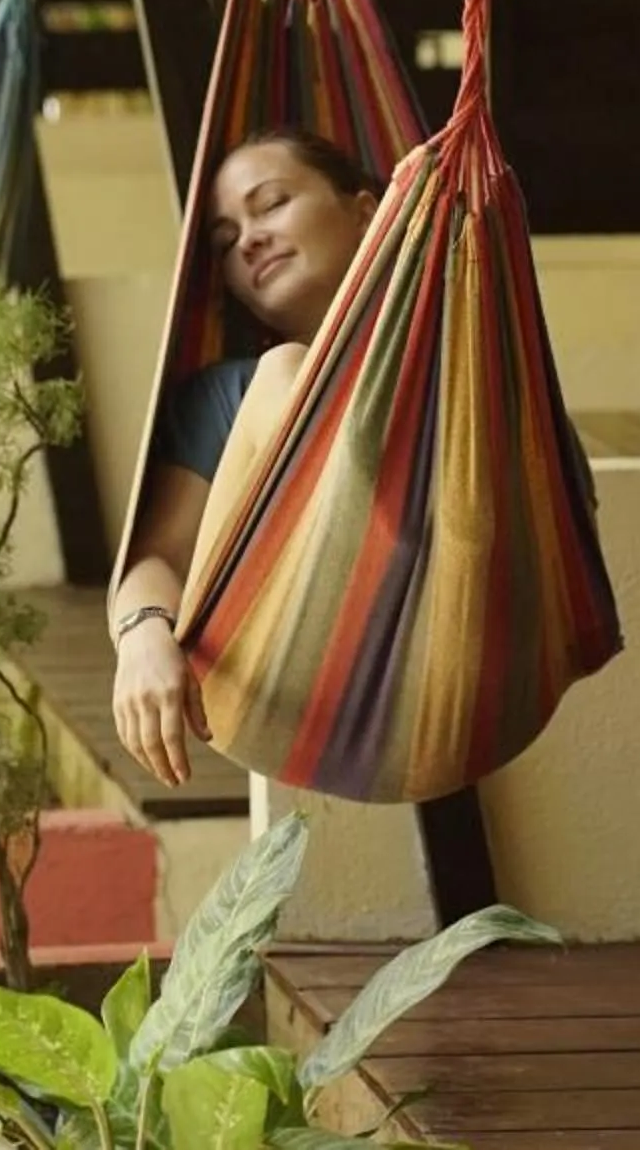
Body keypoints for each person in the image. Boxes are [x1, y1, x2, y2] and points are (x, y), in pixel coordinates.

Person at [109, 127, 379, 789]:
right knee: (285, 370)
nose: (250, 239)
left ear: (367, 212)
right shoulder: (224, 398)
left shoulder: (461, 369)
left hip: (443, 630)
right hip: (280, 671)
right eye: (227, 241)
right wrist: (143, 637)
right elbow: (157, 559)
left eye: (272, 203)